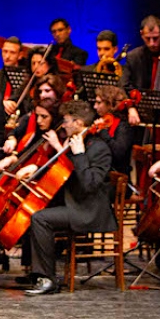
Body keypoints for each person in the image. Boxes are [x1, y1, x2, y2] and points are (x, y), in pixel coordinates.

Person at [24, 101, 115, 295]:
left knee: (40, 219)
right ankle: (36, 272)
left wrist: (80, 154)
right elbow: (65, 173)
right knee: (32, 211)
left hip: (88, 210)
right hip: (73, 202)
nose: (63, 125)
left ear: (79, 122)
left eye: (66, 121)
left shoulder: (99, 148)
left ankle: (47, 279)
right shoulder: (75, 141)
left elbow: (89, 185)